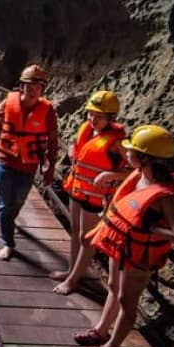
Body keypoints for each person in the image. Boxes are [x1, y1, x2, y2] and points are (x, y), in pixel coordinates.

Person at [75, 125, 174, 347]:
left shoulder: (166, 195)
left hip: (140, 254)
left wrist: (150, 227)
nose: (127, 153)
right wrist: (112, 176)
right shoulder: (141, 174)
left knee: (127, 301)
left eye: (132, 151)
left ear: (145, 157)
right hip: (123, 244)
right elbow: (131, 183)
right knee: (114, 285)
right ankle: (101, 330)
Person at [51, 90, 130, 294]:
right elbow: (77, 145)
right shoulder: (87, 128)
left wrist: (110, 176)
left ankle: (74, 280)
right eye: (90, 114)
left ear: (111, 118)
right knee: (76, 230)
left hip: (96, 196)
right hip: (78, 188)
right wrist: (71, 150)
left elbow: (136, 170)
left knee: (87, 238)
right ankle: (73, 269)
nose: (93, 119)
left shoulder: (117, 142)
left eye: (99, 116)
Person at [0, 64, 59, 260]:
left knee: (17, 202)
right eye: (29, 86)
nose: (33, 91)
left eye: (38, 87)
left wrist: (50, 168)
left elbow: (52, 141)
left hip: (29, 165)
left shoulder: (47, 110)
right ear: (21, 87)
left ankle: (9, 223)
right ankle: (8, 241)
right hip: (5, 161)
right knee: (6, 204)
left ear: (42, 89)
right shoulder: (8, 103)